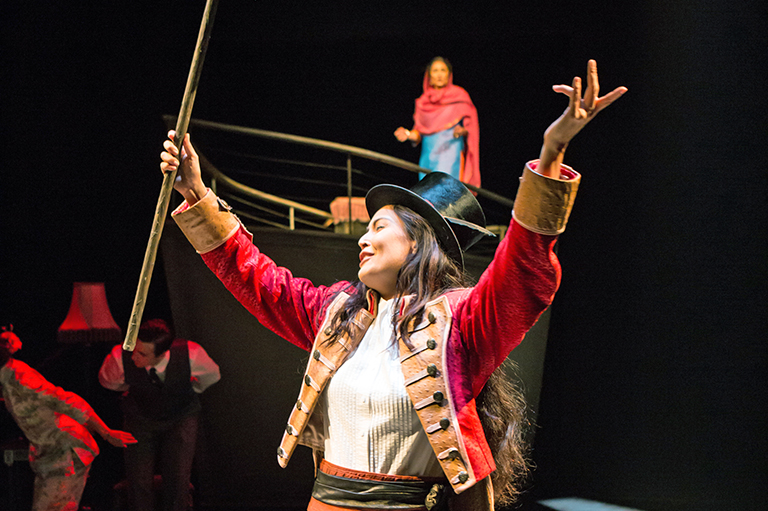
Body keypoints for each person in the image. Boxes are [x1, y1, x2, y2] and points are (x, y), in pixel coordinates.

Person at [160, 60, 626, 510]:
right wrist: (197, 195)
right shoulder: (337, 314)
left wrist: (551, 155)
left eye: (379, 226)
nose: (364, 237)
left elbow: (523, 270)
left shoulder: (460, 323)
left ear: (418, 242)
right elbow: (259, 280)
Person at [0, 326, 136, 511]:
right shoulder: (7, 378)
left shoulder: (20, 378)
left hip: (66, 452)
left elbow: (66, 400)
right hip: (50, 454)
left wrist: (106, 432)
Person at [98, 319, 221, 511]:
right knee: (138, 480)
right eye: (134, 349)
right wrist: (135, 386)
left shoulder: (191, 354)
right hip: (139, 419)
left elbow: (212, 375)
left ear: (162, 354)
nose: (133, 357)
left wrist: (189, 389)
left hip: (180, 417)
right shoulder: (120, 355)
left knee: (178, 478)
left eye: (142, 354)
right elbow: (107, 381)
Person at [394, 57, 481, 188]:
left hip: (450, 153)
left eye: (443, 70)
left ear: (449, 74)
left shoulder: (460, 97)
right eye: (435, 70)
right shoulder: (422, 102)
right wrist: (407, 134)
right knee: (427, 193)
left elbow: (470, 128)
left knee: (445, 191)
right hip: (428, 157)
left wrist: (462, 131)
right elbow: (419, 133)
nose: (439, 74)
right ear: (429, 75)